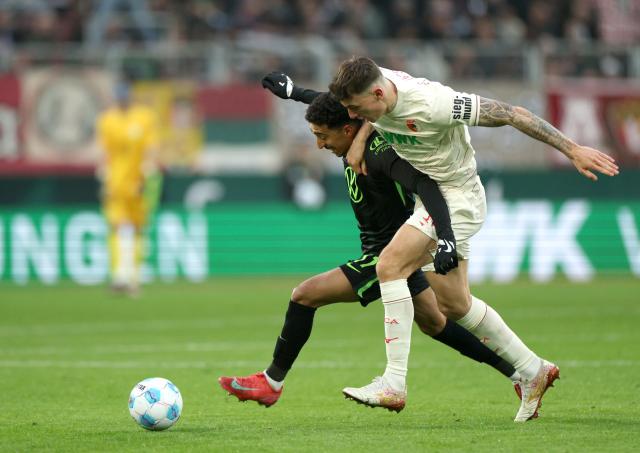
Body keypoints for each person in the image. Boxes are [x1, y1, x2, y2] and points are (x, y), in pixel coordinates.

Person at [328, 56, 619, 421]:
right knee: (454, 304)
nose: (352, 117)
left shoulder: (435, 104)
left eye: (356, 109)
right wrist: (359, 139)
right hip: (432, 197)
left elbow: (511, 113)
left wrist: (571, 148)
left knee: (390, 266)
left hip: (457, 197)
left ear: (376, 92)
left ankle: (394, 384)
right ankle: (534, 370)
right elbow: (363, 110)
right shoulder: (374, 91)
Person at [218, 73, 522, 413]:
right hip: (394, 255)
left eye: (322, 136)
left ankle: (271, 382)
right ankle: (517, 373)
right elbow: (339, 108)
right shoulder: (350, 135)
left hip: (388, 255)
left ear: (349, 130)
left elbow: (425, 185)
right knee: (436, 321)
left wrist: (446, 237)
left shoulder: (378, 154)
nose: (320, 144)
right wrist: (295, 93)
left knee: (304, 295)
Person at [96, 82, 159, 295]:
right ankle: (120, 275)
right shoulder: (107, 120)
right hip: (116, 181)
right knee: (117, 226)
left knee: (137, 228)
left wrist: (147, 175)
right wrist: (104, 177)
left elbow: (150, 148)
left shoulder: (144, 116)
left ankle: (134, 275)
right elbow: (106, 151)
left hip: (138, 181)